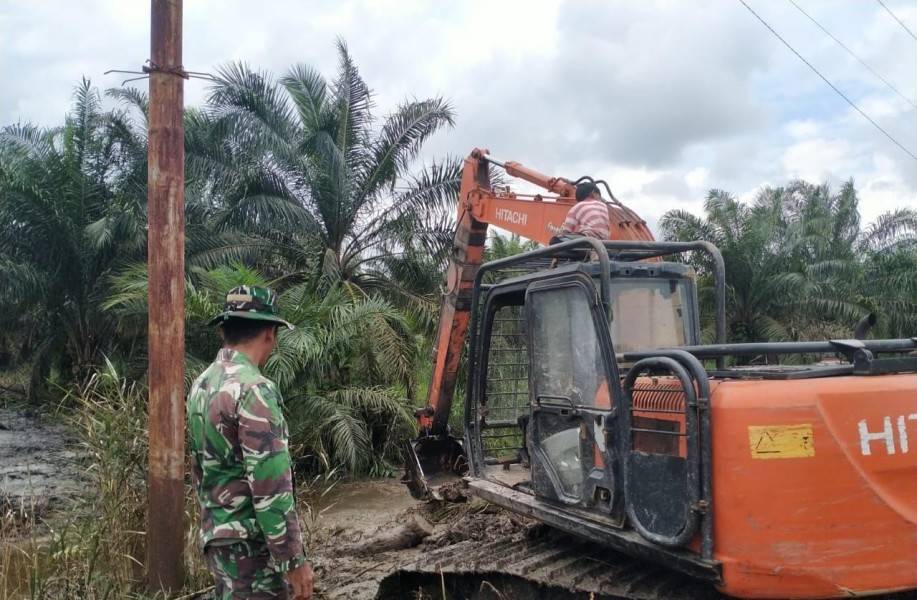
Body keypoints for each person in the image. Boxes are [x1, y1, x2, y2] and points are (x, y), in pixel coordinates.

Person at [187, 285, 313, 600]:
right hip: (251, 552)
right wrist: (293, 560)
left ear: (223, 331)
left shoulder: (202, 385)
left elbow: (199, 469)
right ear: (270, 333)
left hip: (218, 540)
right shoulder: (254, 389)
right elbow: (271, 487)